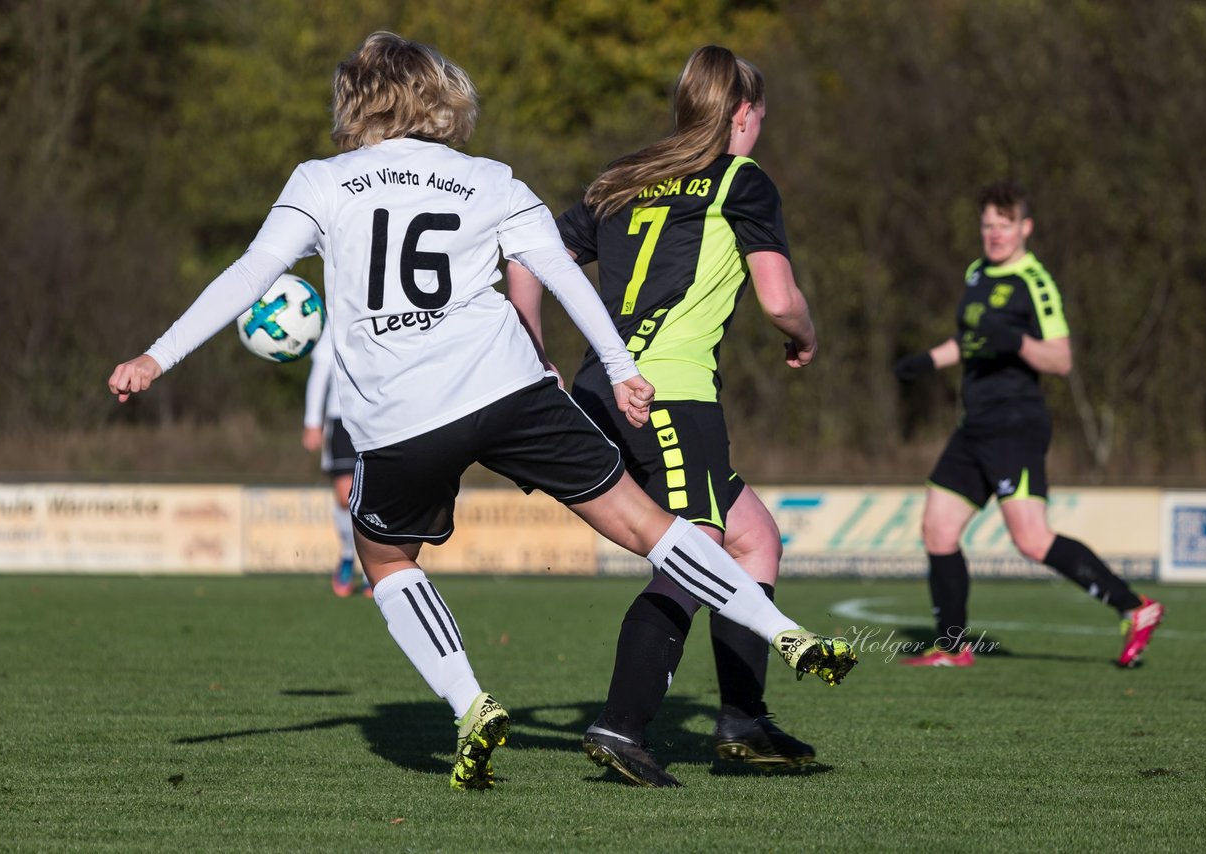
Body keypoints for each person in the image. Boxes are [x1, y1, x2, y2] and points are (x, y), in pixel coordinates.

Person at [108, 31, 855, 792]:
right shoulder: (490, 179)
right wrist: (624, 370)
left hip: (402, 415)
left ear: (353, 101)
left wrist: (154, 357)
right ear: (440, 94)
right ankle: (783, 632)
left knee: (389, 561)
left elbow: (250, 275)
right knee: (646, 524)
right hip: (508, 388)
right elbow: (560, 276)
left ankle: (470, 703)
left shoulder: (321, 181)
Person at [507, 45, 822, 787]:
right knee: (698, 548)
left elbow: (523, 256)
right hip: (668, 397)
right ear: (743, 114)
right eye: (760, 115)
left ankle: (744, 720)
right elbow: (779, 299)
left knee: (753, 538)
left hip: (599, 389)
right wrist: (805, 334)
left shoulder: (626, 180)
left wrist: (533, 346)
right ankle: (621, 725)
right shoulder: (742, 181)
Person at [894, 180, 1163, 669]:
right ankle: (952, 648)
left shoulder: (1034, 282)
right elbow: (972, 341)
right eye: (987, 225)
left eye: (1005, 225)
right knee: (938, 528)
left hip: (1014, 423)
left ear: (1025, 227)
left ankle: (1135, 608)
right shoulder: (977, 273)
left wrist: (1016, 341)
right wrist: (925, 362)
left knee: (1032, 539)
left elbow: (1060, 360)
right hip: (974, 424)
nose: (995, 234)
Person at [301, 319, 367, 598]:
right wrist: (312, 421)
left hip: (378, 416)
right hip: (340, 417)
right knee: (345, 496)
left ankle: (372, 568)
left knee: (373, 495)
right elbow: (320, 371)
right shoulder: (337, 315)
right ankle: (348, 556)